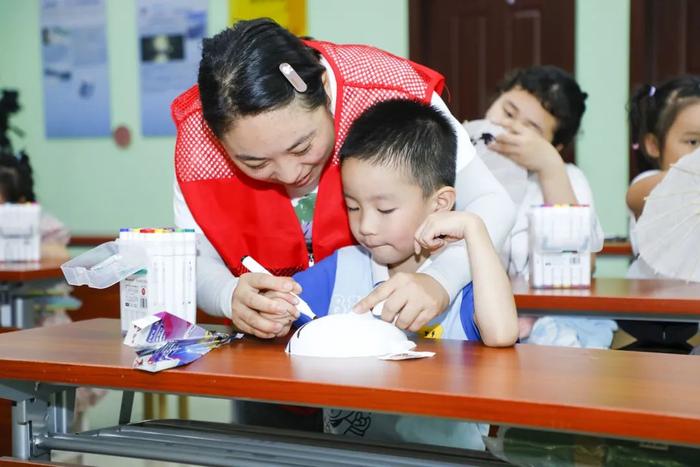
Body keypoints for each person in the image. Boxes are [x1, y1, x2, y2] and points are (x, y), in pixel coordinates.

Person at [171, 18, 516, 339]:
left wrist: (441, 280)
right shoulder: (199, 142)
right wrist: (227, 293)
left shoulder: (387, 92)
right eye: (256, 163)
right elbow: (192, 257)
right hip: (277, 354)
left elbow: (491, 203)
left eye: (302, 146)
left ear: (322, 87)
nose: (291, 174)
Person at [273, 98, 518, 449]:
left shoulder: (465, 276)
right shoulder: (342, 267)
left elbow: (501, 334)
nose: (366, 226)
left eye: (385, 208)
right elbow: (280, 307)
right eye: (353, 207)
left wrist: (475, 231)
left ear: (440, 204)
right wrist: (265, 304)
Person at [481, 66, 615, 348]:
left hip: (545, 323)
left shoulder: (566, 176)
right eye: (507, 112)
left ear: (556, 145)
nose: (511, 127)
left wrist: (550, 167)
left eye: (532, 128)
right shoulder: (465, 163)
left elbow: (580, 263)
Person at [623, 75, 700, 352]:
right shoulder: (650, 182)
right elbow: (636, 196)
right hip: (652, 310)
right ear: (653, 145)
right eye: (692, 143)